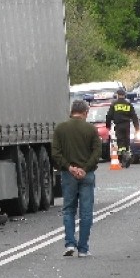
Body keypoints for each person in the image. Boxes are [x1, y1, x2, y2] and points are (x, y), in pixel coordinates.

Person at [52, 99, 101, 257]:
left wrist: (69, 167)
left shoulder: (60, 129)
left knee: (68, 210)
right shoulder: (91, 129)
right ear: (85, 112)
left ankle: (70, 243)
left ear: (71, 111)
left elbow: (56, 153)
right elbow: (96, 152)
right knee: (86, 212)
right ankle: (83, 248)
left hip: (68, 175)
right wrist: (84, 169)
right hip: (87, 175)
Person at [105, 88, 140, 165]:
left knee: (120, 141)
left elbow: (109, 116)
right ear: (125, 95)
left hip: (118, 125)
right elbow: (134, 116)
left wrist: (108, 126)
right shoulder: (128, 104)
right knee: (127, 141)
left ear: (117, 95)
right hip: (127, 125)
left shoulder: (114, 104)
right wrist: (137, 128)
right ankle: (126, 154)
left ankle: (123, 156)